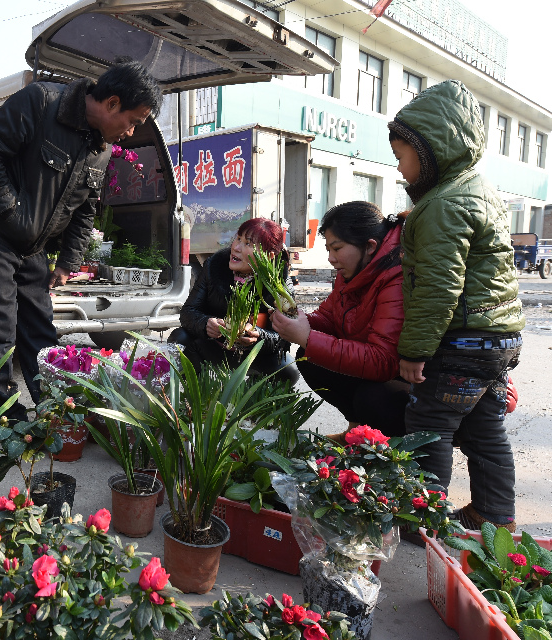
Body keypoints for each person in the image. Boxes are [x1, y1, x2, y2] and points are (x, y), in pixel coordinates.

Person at [0, 61, 163, 422]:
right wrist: (13, 213)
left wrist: (69, 262)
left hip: (34, 247)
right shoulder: (40, 103)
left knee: (40, 328)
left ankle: (54, 407)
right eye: (133, 120)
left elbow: (86, 208)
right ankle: (5, 415)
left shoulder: (100, 147)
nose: (131, 131)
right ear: (113, 103)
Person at [388, 79, 524, 532]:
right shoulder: (478, 191)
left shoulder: (443, 206)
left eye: (402, 157)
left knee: (430, 423)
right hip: (498, 338)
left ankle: (420, 520)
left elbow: (439, 287)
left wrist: (414, 351)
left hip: (461, 341)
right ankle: (493, 514)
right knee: (486, 431)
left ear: (430, 152)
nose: (400, 169)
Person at [271, 201, 408, 438]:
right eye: (328, 249)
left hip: (406, 381)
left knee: (373, 398)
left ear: (370, 246)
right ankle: (356, 431)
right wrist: (299, 321)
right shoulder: (353, 271)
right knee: (308, 357)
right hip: (375, 370)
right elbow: (329, 317)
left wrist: (306, 336)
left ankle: (387, 442)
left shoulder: (396, 275)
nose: (331, 258)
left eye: (337, 248)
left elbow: (384, 360)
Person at [170, 218, 298, 383]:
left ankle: (252, 401)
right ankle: (198, 396)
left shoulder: (279, 283)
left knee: (288, 370)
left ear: (269, 255)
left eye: (248, 244)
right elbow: (188, 312)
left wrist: (259, 336)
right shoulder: (214, 267)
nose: (236, 248)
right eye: (238, 239)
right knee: (179, 338)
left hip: (254, 354)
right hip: (216, 346)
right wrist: (206, 323)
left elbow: (285, 337)